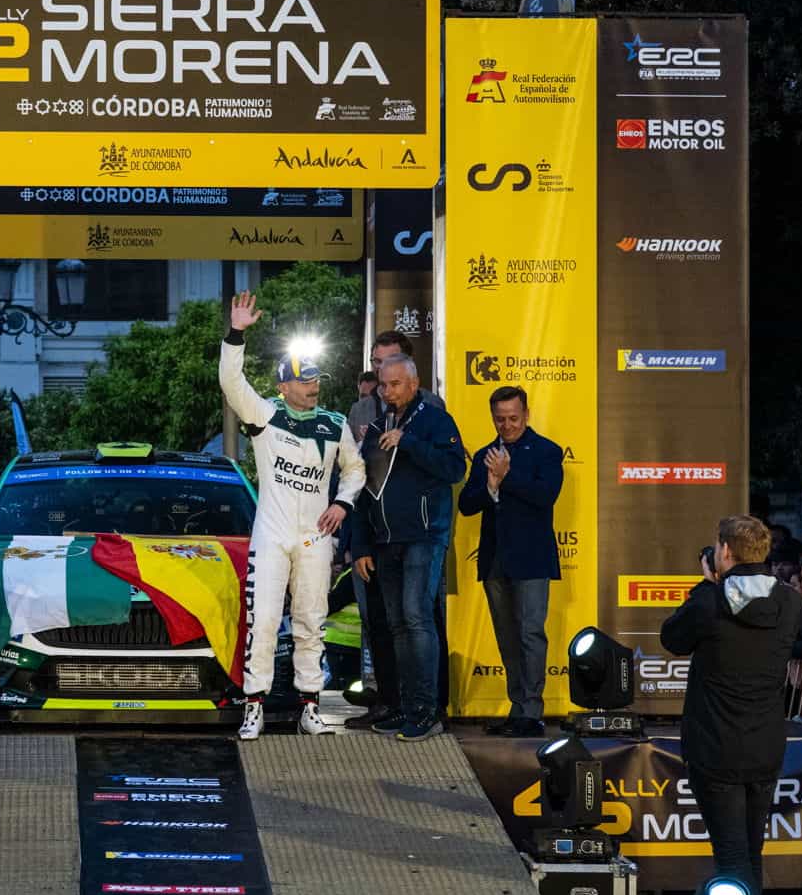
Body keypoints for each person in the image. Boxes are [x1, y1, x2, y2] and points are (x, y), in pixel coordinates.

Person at [218, 292, 365, 740]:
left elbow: (355, 469)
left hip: (314, 537)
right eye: (303, 381)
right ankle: (254, 706)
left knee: (310, 622)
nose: (312, 386)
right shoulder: (264, 414)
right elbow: (230, 382)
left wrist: (342, 503)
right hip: (273, 534)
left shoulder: (335, 423)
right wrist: (236, 333)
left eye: (315, 378)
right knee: (263, 621)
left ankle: (310, 706)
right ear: (283, 387)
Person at [659, 515, 801, 890]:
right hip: (765, 744)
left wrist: (706, 586)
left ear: (724, 551)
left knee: (730, 854)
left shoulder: (710, 601)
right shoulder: (790, 601)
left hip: (716, 746)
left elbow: (672, 639)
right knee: (752, 849)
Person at [351, 353, 466, 742]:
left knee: (417, 619)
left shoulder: (435, 420)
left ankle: (426, 709)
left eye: (395, 384)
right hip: (384, 541)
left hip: (423, 536)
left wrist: (410, 441)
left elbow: (455, 470)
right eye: (383, 385)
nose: (387, 391)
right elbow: (362, 489)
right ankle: (404, 706)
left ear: (413, 384)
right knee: (398, 624)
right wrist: (362, 543)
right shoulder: (376, 426)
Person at [456, 385, 563, 738]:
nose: (507, 425)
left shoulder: (546, 451)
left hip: (532, 560)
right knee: (507, 637)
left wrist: (506, 476)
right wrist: (489, 487)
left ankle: (532, 711)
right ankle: (517, 708)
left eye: (513, 418)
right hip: (495, 560)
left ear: (527, 414)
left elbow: (545, 496)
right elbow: (467, 505)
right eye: (500, 419)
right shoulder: (486, 454)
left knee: (531, 633)